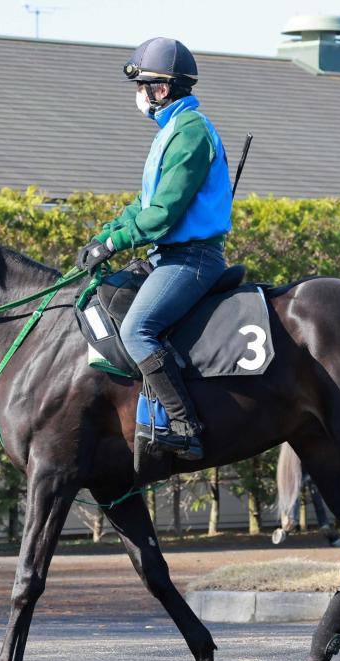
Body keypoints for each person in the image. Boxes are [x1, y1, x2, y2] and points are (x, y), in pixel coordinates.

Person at [77, 37, 233, 461]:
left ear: (161, 90)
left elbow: (162, 214)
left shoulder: (190, 133)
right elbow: (142, 205)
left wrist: (114, 242)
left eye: (141, 85)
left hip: (191, 259)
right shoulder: (172, 131)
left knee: (136, 330)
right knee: (108, 295)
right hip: (167, 258)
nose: (138, 95)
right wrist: (104, 235)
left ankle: (184, 426)